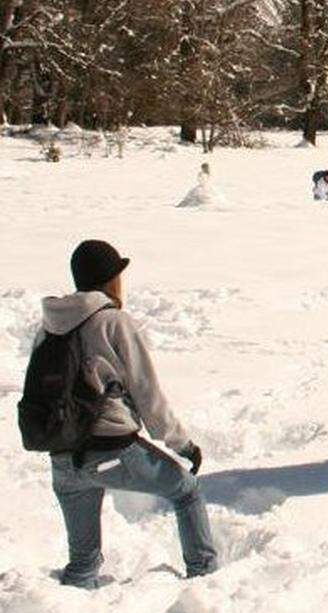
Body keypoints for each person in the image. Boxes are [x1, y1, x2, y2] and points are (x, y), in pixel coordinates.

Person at [31, 240, 217, 588]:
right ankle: (205, 579)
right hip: (112, 451)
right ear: (110, 279)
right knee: (187, 491)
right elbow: (148, 394)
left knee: (83, 562)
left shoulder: (49, 327)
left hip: (62, 458)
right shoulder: (114, 322)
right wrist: (183, 445)